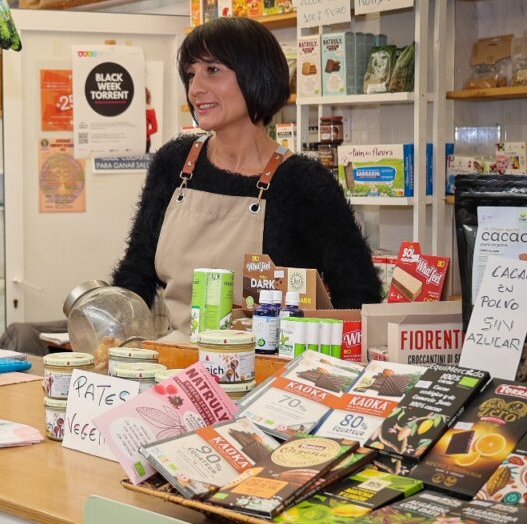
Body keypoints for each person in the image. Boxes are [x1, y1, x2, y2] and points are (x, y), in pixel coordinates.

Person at [112, 17, 380, 337]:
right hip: (179, 357)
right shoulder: (174, 164)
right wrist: (114, 330)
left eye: (213, 70)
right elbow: (137, 271)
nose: (195, 89)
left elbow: (359, 295)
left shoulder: (304, 183)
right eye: (191, 74)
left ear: (256, 74)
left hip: (269, 362)